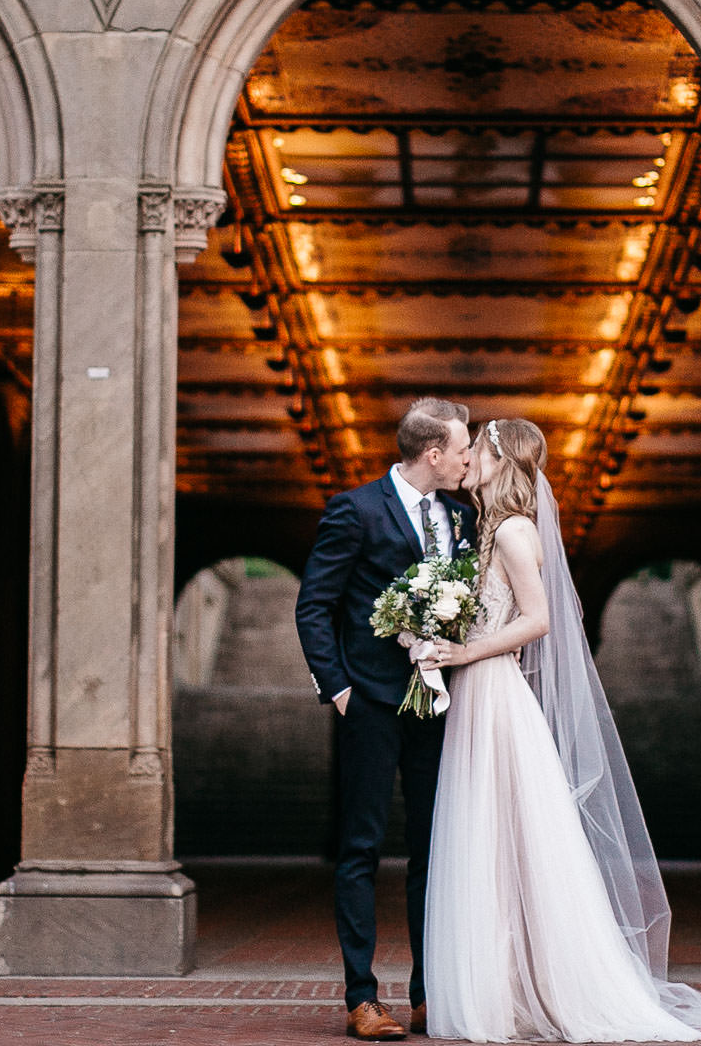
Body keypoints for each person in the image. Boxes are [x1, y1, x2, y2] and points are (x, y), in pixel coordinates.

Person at [418, 418, 701, 1043]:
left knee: (504, 837)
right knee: (487, 841)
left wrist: (466, 652)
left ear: (502, 460)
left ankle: (531, 989)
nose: (469, 459)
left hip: (495, 694)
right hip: (476, 693)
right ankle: (499, 987)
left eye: (480, 449)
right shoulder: (489, 528)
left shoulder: (515, 531)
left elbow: (539, 620)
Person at [295, 397, 477, 1042]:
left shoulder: (461, 515)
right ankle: (363, 998)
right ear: (433, 453)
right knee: (361, 847)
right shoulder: (355, 509)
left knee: (434, 848)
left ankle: (428, 994)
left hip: (438, 704)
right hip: (369, 702)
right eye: (462, 450)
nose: (468, 460)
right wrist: (338, 688)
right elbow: (314, 604)